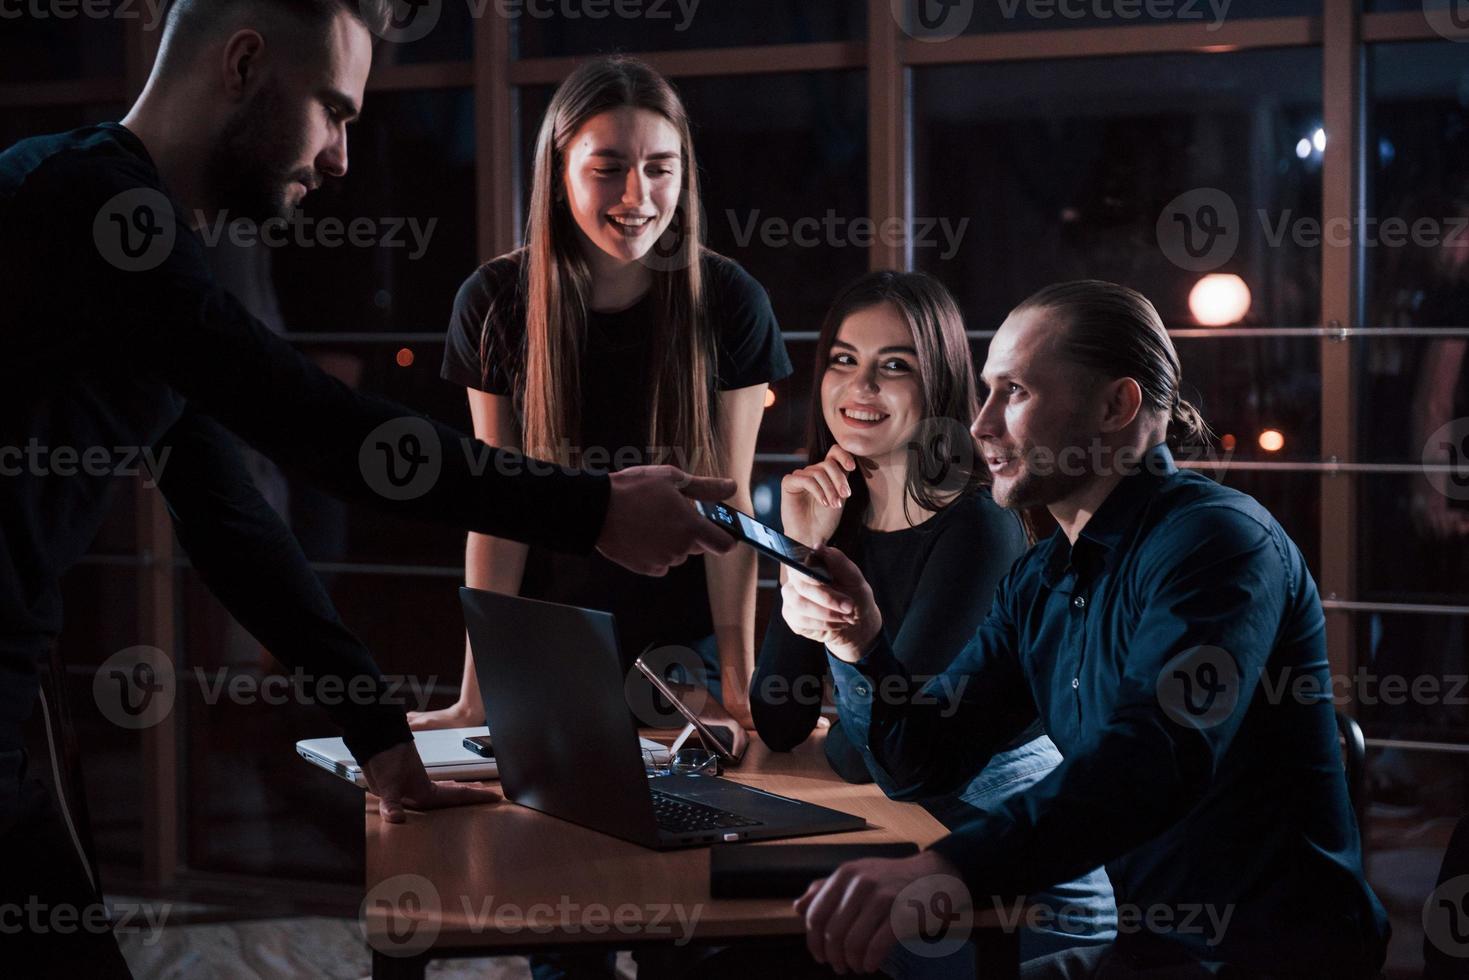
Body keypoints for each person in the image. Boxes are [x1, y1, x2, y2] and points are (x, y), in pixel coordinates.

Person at [0, 2, 736, 976]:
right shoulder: (89, 207)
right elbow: (321, 427)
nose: (342, 156)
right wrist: (590, 508)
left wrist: (383, 742)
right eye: (333, 111)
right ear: (244, 62)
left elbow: (233, 525)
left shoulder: (137, 244)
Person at [781, 281, 1390, 977]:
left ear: (1115, 405)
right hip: (1149, 955)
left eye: (1012, 392)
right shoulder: (1040, 579)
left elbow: (1153, 755)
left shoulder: (1217, 541)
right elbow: (920, 762)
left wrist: (949, 867)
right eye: (984, 391)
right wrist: (859, 644)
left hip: (1270, 959)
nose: (978, 426)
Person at [410, 55, 790, 738]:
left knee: (692, 790)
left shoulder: (731, 300)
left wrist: (737, 684)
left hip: (677, 652)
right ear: (558, 175)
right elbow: (498, 506)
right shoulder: (495, 302)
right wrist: (476, 693)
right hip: (547, 636)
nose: (636, 196)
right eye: (607, 167)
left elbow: (730, 505)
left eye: (659, 168)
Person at [751, 270, 1115, 959]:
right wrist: (799, 549)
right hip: (923, 839)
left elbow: (868, 758)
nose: (859, 389)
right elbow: (778, 716)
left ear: (939, 383)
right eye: (843, 361)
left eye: (893, 367)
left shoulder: (977, 528)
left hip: (1030, 898)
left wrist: (841, 707)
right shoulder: (839, 510)